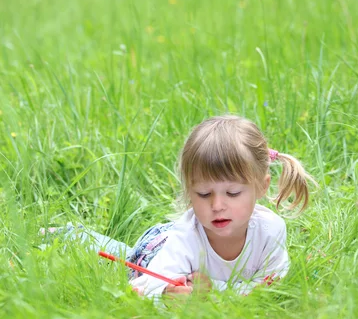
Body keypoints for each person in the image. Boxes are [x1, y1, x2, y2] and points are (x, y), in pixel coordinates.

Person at [45, 115, 315, 298]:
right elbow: (142, 285)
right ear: (189, 192)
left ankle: (77, 234)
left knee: (122, 251)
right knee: (126, 258)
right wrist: (166, 294)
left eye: (232, 193)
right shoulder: (187, 237)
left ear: (261, 187)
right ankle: (75, 235)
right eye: (203, 193)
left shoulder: (270, 231)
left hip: (181, 259)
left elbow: (269, 286)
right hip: (156, 249)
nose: (217, 205)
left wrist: (214, 290)